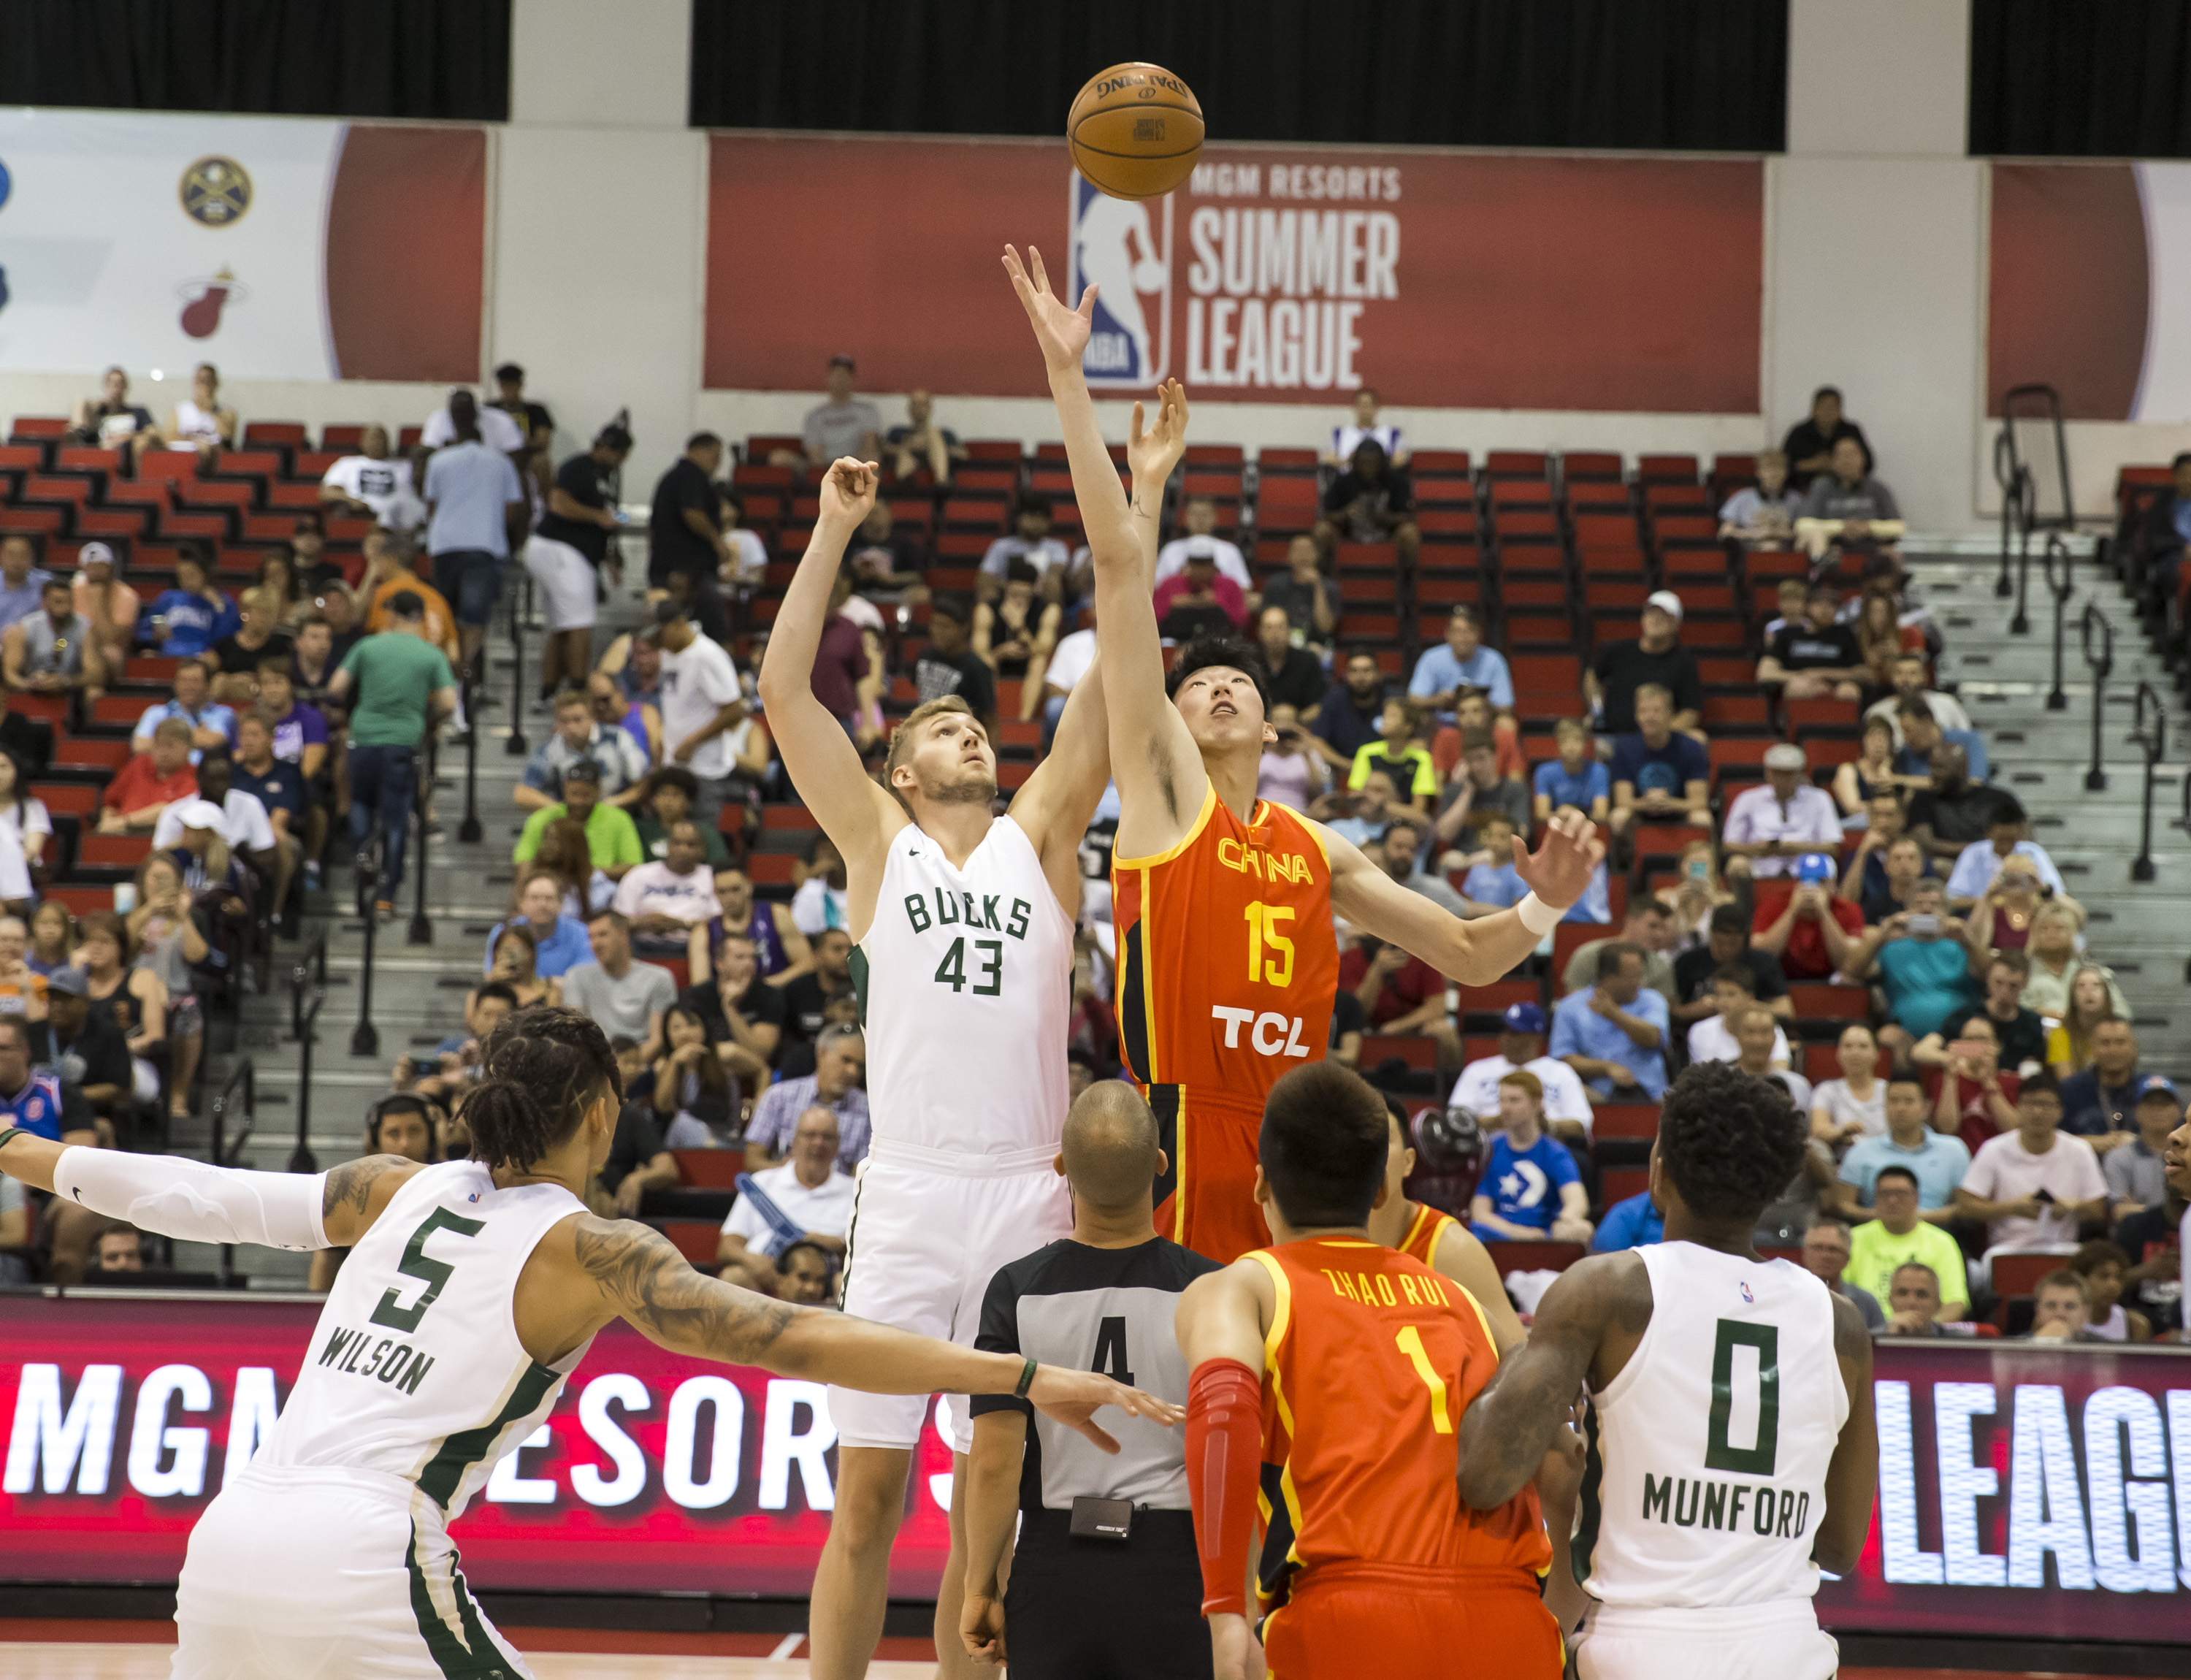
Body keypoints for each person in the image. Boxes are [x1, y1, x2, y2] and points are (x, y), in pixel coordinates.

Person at [0, 1008, 1169, 1677]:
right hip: (365, 1551)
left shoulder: (390, 1187)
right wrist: (1014, 1372)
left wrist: (33, 1157)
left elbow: (202, 1193)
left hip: (228, 1538)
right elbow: (797, 1339)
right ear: (602, 1113)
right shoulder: (596, 1251)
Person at [1006, 245, 1599, 1264]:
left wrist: (1546, 903)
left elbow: (1468, 954)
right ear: (1167, 723)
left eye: (1239, 684)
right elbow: (1115, 575)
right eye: (1196, 687)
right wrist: (1075, 382)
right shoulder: (1161, 794)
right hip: (1183, 1129)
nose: (1222, 688)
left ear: (1273, 726)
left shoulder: (1316, 847)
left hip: (1300, 1151)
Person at [757, 402, 1133, 1667]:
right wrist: (831, 529)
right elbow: (782, 690)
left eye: (979, 723)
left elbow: (1113, 669)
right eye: (940, 727)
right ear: (905, 770)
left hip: (1028, 1200)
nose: (971, 729)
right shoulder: (879, 843)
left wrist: (1133, 489)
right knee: (865, 1501)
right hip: (912, 1193)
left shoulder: (1046, 840)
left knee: (995, 1524)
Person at [1456, 1060, 1875, 1680]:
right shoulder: (1840, 1323)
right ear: (1772, 1189)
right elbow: (1839, 1546)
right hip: (1789, 1649)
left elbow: (1484, 1476)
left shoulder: (1609, 1288)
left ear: (1658, 1173)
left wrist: (1516, 1351)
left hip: (1640, 1649)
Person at [1177, 1061, 1560, 1680]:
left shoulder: (1246, 1284)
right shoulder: (1460, 1297)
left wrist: (1226, 1613)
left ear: (1259, 1186)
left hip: (1352, 1615)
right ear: (1381, 1189)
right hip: (1510, 1617)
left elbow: (1223, 1411)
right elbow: (1559, 1445)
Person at [960, 1083, 1221, 1678]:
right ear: (1161, 1166)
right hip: (1177, 1567)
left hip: (1057, 1565)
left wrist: (981, 1585)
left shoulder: (1016, 1289)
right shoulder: (1211, 1289)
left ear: (1061, 1168)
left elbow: (994, 1462)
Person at [329, 592, 456, 917]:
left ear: (394, 615)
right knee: (396, 819)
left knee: (360, 803)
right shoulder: (431, 655)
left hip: (364, 737)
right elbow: (448, 703)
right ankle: (386, 895)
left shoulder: (368, 647)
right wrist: (426, 722)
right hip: (403, 742)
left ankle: (362, 855)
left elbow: (336, 687)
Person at [421, 391, 526, 674]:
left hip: (444, 546)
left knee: (445, 616)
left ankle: (444, 673)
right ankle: (465, 675)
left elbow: (431, 506)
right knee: (474, 620)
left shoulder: (438, 461)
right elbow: (512, 510)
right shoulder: (501, 462)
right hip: (483, 546)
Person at [526, 424, 631, 696]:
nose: (621, 462)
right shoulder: (580, 466)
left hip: (568, 551)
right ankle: (578, 688)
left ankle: (548, 689)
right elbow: (558, 503)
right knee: (579, 623)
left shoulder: (608, 477)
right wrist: (599, 518)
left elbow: (609, 516)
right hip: (562, 549)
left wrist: (611, 553)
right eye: (619, 454)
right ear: (604, 448)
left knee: (562, 625)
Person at [1955, 1072, 2109, 1257]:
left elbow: (2098, 1210)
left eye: (2046, 1105)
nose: (2037, 1112)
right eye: (2030, 1104)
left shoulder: (2079, 1151)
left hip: (2062, 1249)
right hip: (2007, 1250)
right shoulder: (1994, 1149)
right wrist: (2010, 1209)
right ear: (2018, 1107)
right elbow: (1966, 1206)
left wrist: (2072, 1207)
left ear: (2060, 1110)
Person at [641, 602, 749, 830]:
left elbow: (734, 710)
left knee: (700, 837)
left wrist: (693, 741)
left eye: (661, 634)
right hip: (675, 766)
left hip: (704, 769)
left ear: (679, 624)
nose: (659, 642)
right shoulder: (669, 654)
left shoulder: (707, 656)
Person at [1838, 877, 1984, 1046]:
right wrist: (1881, 935)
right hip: (1905, 1035)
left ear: (1947, 911)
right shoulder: (1891, 948)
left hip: (1958, 1033)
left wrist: (1969, 942)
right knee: (1887, 1037)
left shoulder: (1961, 945)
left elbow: (1985, 975)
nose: (1926, 909)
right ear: (1907, 910)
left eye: (1934, 904)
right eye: (1918, 904)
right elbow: (1852, 971)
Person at [1469, 1070, 1593, 1244]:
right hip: (1498, 1234)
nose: (1505, 1108)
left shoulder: (1555, 1152)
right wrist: (1520, 1233)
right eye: (1502, 1100)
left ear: (1537, 1104)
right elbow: (1480, 1213)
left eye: (1514, 1100)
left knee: (1582, 1229)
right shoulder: (1490, 1150)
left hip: (1544, 1236)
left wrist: (1564, 1221)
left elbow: (1577, 1201)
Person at [1450, 1001, 1596, 1139]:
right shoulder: (1477, 1070)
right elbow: (1455, 1120)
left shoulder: (1561, 1072)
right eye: (1504, 1031)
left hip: (1546, 1147)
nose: (1505, 1038)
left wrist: (1545, 1124)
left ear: (1536, 1038)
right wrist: (1502, 1120)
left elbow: (1581, 1125)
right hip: (1488, 1147)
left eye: (1514, 1033)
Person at [1551, 942, 1669, 1101]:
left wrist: (1615, 1014)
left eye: (1640, 975)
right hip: (1597, 1095)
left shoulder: (1653, 1000)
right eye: (1632, 977)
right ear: (1607, 977)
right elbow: (1564, 1059)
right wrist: (1607, 1068)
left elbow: (1653, 1038)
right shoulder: (1570, 1007)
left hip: (1651, 1093)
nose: (1638, 982)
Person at [559, 910, 675, 1061]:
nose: (595, 944)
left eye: (603, 935)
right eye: (591, 937)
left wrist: (625, 1067)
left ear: (624, 935)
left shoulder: (659, 978)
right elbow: (575, 1034)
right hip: (597, 1063)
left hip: (642, 1063)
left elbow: (657, 1040)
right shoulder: (576, 976)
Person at [1586, 592, 1701, 737]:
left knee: (1699, 739)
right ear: (1643, 618)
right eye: (1651, 613)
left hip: (1658, 745)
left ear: (1676, 624)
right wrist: (1597, 709)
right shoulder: (1617, 651)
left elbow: (1690, 713)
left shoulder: (1684, 662)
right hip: (1612, 738)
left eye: (1664, 615)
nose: (1656, 619)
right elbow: (1592, 676)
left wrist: (1660, 736)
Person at [1607, 683, 1710, 836]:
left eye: (1656, 711)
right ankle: (1627, 860)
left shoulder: (1691, 747)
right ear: (1636, 715)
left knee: (1703, 819)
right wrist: (1646, 803)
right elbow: (1622, 801)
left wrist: (1670, 803)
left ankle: (1697, 859)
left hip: (1679, 813)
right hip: (1640, 815)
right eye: (1643, 711)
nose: (1649, 717)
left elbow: (1700, 801)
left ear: (1670, 714)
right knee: (1619, 817)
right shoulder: (1625, 747)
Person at [1721, 747, 1840, 875]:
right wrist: (1757, 849)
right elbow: (1729, 845)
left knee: (1826, 863)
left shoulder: (1819, 798)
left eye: (1789, 774)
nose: (1783, 779)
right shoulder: (1747, 799)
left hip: (1806, 864)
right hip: (1760, 866)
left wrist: (1796, 848)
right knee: (1737, 863)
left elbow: (1833, 846)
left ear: (1801, 773)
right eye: (1777, 773)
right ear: (1767, 772)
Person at [609, 820, 716, 953]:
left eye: (691, 844)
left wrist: (683, 925)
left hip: (692, 945)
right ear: (667, 846)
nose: (683, 849)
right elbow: (617, 921)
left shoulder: (712, 877)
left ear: (702, 850)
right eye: (677, 843)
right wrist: (641, 923)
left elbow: (719, 924)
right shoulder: (639, 874)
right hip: (641, 943)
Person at [974, 558, 1063, 720]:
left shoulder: (1049, 610)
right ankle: (991, 717)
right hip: (997, 661)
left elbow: (1045, 649)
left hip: (1030, 665)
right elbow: (979, 653)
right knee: (985, 663)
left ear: (1034, 591)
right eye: (1014, 594)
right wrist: (1000, 653)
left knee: (1039, 661)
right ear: (1005, 587)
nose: (1019, 600)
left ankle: (1024, 720)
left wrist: (1019, 627)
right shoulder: (986, 610)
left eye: (1025, 596)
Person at [1750, 856, 1863, 981]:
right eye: (1804, 880)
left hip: (1831, 981)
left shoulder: (1849, 910)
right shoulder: (1773, 904)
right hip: (1780, 978)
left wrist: (1824, 913)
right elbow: (1762, 957)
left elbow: (1846, 964)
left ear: (1833, 884)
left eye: (1821, 881)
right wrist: (1792, 911)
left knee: (1850, 979)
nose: (1811, 888)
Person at [1313, 437, 1420, 569]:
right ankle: (1323, 574)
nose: (1368, 467)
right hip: (1348, 532)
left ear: (1382, 462)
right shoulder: (1342, 482)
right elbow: (1327, 514)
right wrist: (1345, 514)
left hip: (1387, 533)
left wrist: (1385, 519)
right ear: (1356, 462)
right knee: (1323, 530)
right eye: (1364, 462)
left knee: (1409, 533)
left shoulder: (1396, 482)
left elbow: (1405, 516)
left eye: (1373, 462)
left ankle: (1407, 578)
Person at [1795, 436, 1905, 562]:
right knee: (1814, 536)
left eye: (1851, 454)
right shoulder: (1821, 487)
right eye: (1841, 455)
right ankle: (1819, 576)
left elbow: (1899, 526)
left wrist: (1868, 528)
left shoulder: (1878, 489)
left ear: (1863, 458)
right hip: (1831, 546)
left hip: (1872, 546)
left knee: (1894, 553)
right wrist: (1841, 528)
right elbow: (1802, 524)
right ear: (1833, 462)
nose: (1846, 461)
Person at [1756, 582, 1866, 702]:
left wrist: (1822, 674)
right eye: (1819, 604)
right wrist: (1803, 677)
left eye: (1832, 604)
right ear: (1807, 607)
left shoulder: (1844, 634)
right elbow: (1765, 673)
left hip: (1836, 685)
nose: (1826, 609)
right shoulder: (1788, 634)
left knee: (1848, 690)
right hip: (1800, 684)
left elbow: (1863, 673)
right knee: (1798, 687)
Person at [4, 574, 105, 703]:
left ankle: (84, 723)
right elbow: (9, 673)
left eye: (69, 602)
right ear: (45, 601)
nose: (65, 608)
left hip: (70, 686)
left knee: (95, 692)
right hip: (32, 684)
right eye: (58, 602)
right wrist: (29, 684)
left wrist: (65, 681)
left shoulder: (84, 628)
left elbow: (97, 674)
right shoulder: (26, 627)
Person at [1408, 604, 1512, 725]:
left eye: (1469, 631)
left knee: (1507, 723)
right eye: (1457, 631)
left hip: (1482, 725)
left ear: (1478, 634)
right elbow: (1413, 699)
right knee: (1422, 718)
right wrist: (1438, 701)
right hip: (1442, 722)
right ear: (1447, 634)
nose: (1463, 638)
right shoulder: (1431, 658)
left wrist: (1478, 703)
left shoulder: (1494, 660)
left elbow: (1506, 707)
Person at [99, 718, 199, 836]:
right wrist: (106, 823)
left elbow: (167, 811)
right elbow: (111, 803)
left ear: (188, 748)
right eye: (158, 745)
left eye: (170, 746)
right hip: (118, 835)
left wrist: (123, 823)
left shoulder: (194, 776)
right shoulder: (138, 765)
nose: (163, 752)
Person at [318, 423, 424, 532]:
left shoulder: (406, 466)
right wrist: (350, 500)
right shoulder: (347, 464)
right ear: (362, 442)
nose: (377, 441)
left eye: (381, 437)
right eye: (373, 437)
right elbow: (326, 492)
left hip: (398, 519)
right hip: (361, 514)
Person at [2057, 1020, 2148, 1146]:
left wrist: (2138, 1143)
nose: (2113, 1050)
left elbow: (2172, 1137)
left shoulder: (2151, 1089)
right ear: (2092, 1048)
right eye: (2105, 1043)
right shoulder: (2069, 1089)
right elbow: (2053, 1140)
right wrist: (2095, 1143)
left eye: (2120, 1042)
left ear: (2134, 1046)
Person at [1685, 966, 1789, 1069]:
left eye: (1731, 994)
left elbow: (1781, 1072)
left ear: (1749, 997)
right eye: (1718, 994)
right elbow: (1702, 1078)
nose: (1723, 1002)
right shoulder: (1700, 1031)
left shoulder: (1768, 1028)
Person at [2104, 1078, 2181, 1218]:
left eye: (2164, 1104)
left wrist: (2139, 1210)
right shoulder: (2118, 1158)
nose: (2157, 1110)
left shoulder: (2186, 1156)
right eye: (2150, 1104)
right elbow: (2119, 1212)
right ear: (2136, 1111)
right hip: (2137, 1236)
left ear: (2177, 1111)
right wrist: (2175, 1213)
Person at [1797, 1218, 1885, 1331]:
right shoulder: (1787, 1297)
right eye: (1818, 1248)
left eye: (1833, 1249)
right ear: (1804, 1253)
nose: (1825, 1255)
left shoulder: (1865, 1302)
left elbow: (1878, 1345)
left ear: (1847, 1258)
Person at [1809, 1023, 1887, 1148]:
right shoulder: (1825, 1090)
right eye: (1848, 1046)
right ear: (1838, 1053)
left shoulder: (1888, 1090)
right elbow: (1818, 1132)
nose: (1855, 1052)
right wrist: (1842, 1133)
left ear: (1877, 1054)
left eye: (1863, 1046)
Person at [1781, 386, 1873, 491]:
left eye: (1832, 408)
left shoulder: (1851, 431)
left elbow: (1868, 464)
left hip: (1845, 491)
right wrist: (1810, 464)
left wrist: (1837, 465)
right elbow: (1782, 464)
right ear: (1813, 409)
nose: (1827, 412)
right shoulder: (1799, 432)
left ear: (1840, 410)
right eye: (1823, 407)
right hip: (1804, 492)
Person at [1155, 494, 1253, 590]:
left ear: (1215, 517)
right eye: (1195, 514)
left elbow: (1244, 589)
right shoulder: (1171, 550)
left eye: (1205, 514)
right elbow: (1157, 587)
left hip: (1218, 605)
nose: (1200, 519)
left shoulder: (1230, 551)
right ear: (1186, 517)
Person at [1261, 534, 1341, 648]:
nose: (1303, 556)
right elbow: (1267, 624)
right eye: (1298, 550)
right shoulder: (1275, 584)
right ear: (1289, 555)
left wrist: (1318, 586)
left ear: (1317, 555)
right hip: (1282, 645)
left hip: (1317, 646)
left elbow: (1326, 627)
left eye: (1308, 550)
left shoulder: (1330, 587)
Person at [1716, 448, 1802, 547]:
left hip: (1786, 548)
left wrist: (1776, 533)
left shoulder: (1796, 499)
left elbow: (1805, 531)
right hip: (1750, 549)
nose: (1773, 474)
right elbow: (1724, 532)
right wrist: (1754, 534)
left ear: (1786, 472)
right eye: (1767, 469)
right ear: (1758, 472)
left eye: (1779, 468)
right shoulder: (1742, 497)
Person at [1535, 717, 1610, 828]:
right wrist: (1562, 815)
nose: (1571, 747)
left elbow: (1601, 815)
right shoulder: (1544, 772)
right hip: (1557, 828)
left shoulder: (1599, 771)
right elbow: (1541, 815)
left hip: (1588, 829)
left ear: (1586, 743)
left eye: (1577, 740)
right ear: (1558, 744)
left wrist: (1574, 814)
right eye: (1565, 741)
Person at [66, 364, 158, 455]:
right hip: (103, 452)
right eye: (111, 384)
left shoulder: (138, 412)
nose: (115, 388)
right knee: (80, 403)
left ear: (125, 387)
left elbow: (153, 434)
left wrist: (127, 437)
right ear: (105, 386)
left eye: (119, 384)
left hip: (128, 452)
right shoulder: (99, 414)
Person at [882, 388, 965, 486]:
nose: (919, 409)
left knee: (934, 436)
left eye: (923, 404)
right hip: (908, 465)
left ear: (930, 407)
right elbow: (884, 449)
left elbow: (963, 454)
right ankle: (905, 482)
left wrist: (933, 446)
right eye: (915, 404)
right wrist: (908, 445)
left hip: (937, 468)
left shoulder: (945, 434)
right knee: (903, 452)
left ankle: (942, 483)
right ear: (909, 408)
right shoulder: (897, 432)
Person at [160, 362, 237, 459]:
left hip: (214, 459)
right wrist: (195, 442)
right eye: (200, 380)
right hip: (183, 457)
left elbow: (227, 440)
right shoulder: (179, 410)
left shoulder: (227, 412)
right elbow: (168, 440)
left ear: (216, 383)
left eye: (208, 381)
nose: (204, 386)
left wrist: (212, 409)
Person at [1324, 385, 1407, 466]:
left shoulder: (1392, 434)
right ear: (1355, 407)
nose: (1364, 410)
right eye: (1361, 405)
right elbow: (1328, 458)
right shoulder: (1340, 434)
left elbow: (1401, 460)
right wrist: (1349, 461)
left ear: (1376, 408)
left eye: (1368, 405)